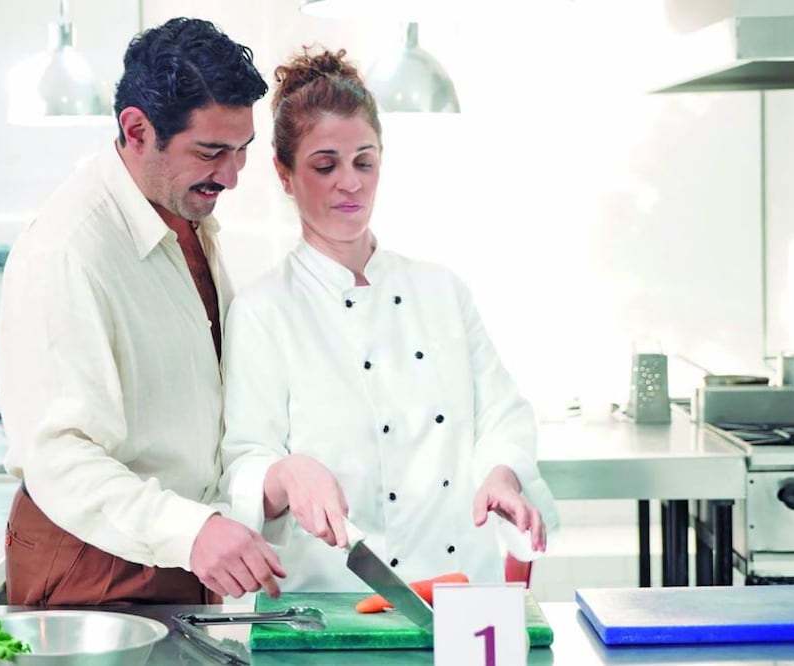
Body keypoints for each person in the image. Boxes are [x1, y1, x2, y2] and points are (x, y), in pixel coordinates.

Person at [219, 48, 559, 592]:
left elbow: (502, 414)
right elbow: (243, 461)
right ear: (284, 174)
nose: (350, 183)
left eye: (364, 162)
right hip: (332, 599)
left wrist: (502, 474)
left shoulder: (441, 290)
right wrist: (285, 473)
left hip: (461, 594)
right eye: (325, 165)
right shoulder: (264, 310)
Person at [0, 17, 285, 607]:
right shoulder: (68, 250)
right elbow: (59, 454)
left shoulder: (182, 214)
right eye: (211, 152)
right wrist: (191, 531)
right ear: (136, 130)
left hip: (178, 548)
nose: (231, 176)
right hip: (90, 562)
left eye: (242, 151)